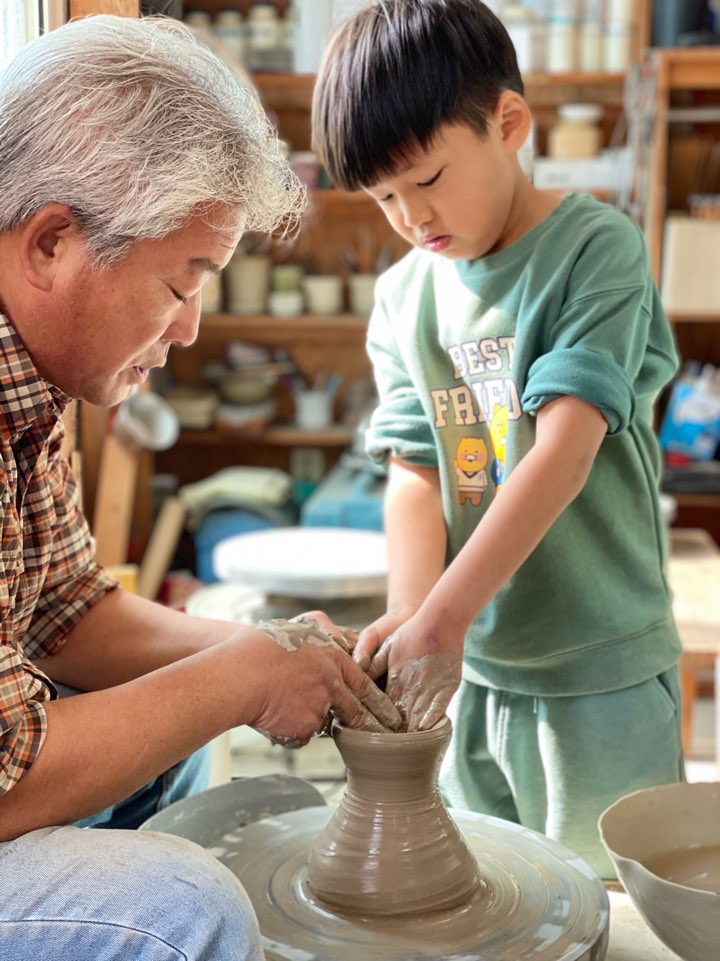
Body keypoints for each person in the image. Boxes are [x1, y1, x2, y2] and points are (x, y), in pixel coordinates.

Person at [0, 14, 400, 959]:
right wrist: (239, 679)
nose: (187, 331)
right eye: (182, 284)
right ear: (51, 242)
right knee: (185, 904)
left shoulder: (30, 373)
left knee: (177, 726)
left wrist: (276, 651)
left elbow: (68, 613)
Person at [311, 0, 685, 878]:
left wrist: (445, 615)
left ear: (508, 123)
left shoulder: (597, 249)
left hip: (597, 663)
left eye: (428, 178)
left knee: (608, 899)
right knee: (494, 893)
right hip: (473, 667)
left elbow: (565, 446)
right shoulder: (405, 297)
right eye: (384, 196)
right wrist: (415, 611)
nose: (408, 215)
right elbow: (410, 466)